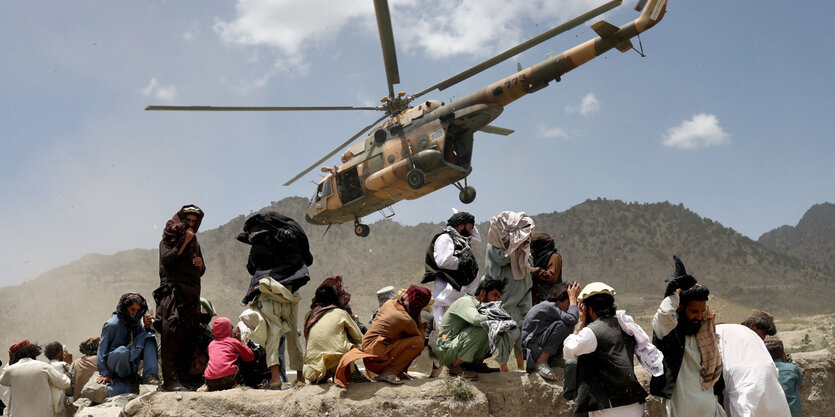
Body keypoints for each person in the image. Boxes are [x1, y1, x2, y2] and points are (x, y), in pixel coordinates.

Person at [237, 211, 312, 389]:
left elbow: (251, 268)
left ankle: (276, 379)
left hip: (269, 297)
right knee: (293, 336)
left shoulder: (258, 246)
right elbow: (308, 259)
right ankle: (300, 378)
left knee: (272, 337)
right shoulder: (291, 241)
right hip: (290, 296)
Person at [563, 282, 654, 417]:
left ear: (590, 309)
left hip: (610, 407)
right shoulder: (625, 326)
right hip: (633, 401)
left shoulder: (592, 332)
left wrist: (580, 323)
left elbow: (568, 349)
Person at [650, 256, 726, 417]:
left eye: (701, 311)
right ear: (680, 308)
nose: (699, 316)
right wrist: (676, 291)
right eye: (693, 311)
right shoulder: (668, 330)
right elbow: (664, 314)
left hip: (708, 405)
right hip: (682, 407)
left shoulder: (705, 333)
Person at [334, 285, 432, 387]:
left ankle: (398, 372)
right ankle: (389, 372)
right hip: (375, 359)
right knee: (418, 343)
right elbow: (420, 337)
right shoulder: (405, 319)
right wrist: (418, 316)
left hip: (368, 357)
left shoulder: (389, 304)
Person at [153, 204, 205, 392]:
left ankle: (185, 378)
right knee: (172, 334)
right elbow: (168, 260)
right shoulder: (168, 240)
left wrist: (200, 265)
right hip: (173, 293)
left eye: (194, 221)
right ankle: (171, 380)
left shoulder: (195, 243)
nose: (191, 224)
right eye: (187, 221)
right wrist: (184, 242)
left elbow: (202, 269)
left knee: (189, 336)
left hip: (192, 295)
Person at [484, 210, 535, 370]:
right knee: (507, 329)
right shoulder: (494, 247)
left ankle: (521, 364)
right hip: (505, 295)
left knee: (522, 327)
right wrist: (514, 250)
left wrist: (520, 249)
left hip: (522, 292)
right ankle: (504, 367)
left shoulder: (523, 246)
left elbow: (529, 262)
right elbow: (501, 259)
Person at [715, 323, 792, 417]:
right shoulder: (744, 332)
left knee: (745, 408)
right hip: (767, 371)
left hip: (743, 378)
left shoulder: (715, 332)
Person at [422, 211, 481, 331]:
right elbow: (444, 261)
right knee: (444, 331)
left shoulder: (462, 240)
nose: (471, 231)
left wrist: (464, 218)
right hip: (447, 295)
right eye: (469, 228)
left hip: (460, 295)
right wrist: (463, 263)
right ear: (460, 226)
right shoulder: (445, 238)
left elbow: (477, 239)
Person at [435, 279, 505, 380]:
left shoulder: (483, 308)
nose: (496, 300)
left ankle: (476, 365)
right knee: (482, 327)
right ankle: (455, 367)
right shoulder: (466, 302)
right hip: (446, 349)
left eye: (498, 297)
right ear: (482, 292)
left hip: (456, 347)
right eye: (494, 295)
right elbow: (476, 319)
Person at [97, 293, 159, 396]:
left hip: (130, 362)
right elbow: (101, 350)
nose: (135, 313)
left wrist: (148, 327)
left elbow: (140, 341)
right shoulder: (112, 324)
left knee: (149, 338)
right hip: (115, 363)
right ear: (124, 308)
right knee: (122, 351)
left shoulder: (136, 323)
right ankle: (123, 381)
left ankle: (149, 377)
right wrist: (105, 374)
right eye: (132, 309)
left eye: (138, 311)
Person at [303, 285, 363, 384]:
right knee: (350, 345)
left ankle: (325, 375)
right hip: (338, 363)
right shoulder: (340, 313)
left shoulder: (309, 316)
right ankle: (353, 374)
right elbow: (359, 338)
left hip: (312, 369)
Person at [521, 282, 580, 380]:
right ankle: (541, 362)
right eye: (568, 302)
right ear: (560, 299)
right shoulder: (550, 306)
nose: (571, 307)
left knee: (567, 324)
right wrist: (573, 299)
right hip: (534, 348)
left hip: (539, 344)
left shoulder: (555, 308)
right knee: (562, 325)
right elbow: (572, 319)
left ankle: (555, 360)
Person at [0, 340, 70, 417]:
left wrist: (10, 361)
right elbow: (64, 383)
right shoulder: (44, 367)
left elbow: (3, 380)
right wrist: (65, 375)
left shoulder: (10, 370)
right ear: (34, 351)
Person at [203, 317, 254, 391]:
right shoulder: (233, 341)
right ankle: (234, 385)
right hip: (228, 380)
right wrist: (240, 341)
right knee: (237, 358)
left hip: (211, 381)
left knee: (210, 361)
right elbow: (250, 356)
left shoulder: (211, 344)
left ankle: (206, 386)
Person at [766, 339, 802, 417]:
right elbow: (799, 382)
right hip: (792, 412)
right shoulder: (791, 368)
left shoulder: (762, 370)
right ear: (783, 355)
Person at [529, 231, 563, 305]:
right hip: (536, 299)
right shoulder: (534, 257)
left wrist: (535, 270)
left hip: (551, 299)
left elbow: (551, 277)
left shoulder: (554, 257)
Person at [44, 342, 72, 416]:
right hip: (60, 398)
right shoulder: (63, 365)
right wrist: (69, 361)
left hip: (47, 399)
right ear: (60, 353)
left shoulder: (45, 366)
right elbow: (72, 377)